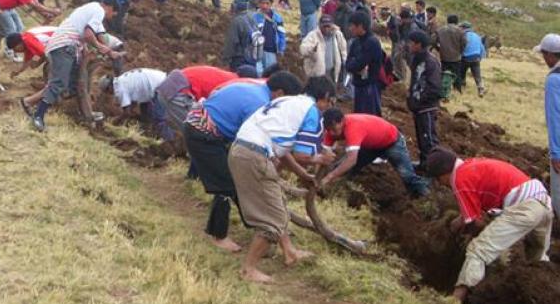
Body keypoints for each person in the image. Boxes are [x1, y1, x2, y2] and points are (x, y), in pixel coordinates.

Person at [228, 77, 336, 283]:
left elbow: (284, 151)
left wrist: (303, 174)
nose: (327, 108)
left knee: (277, 201)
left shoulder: (291, 102)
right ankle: (248, 269)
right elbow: (301, 155)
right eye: (330, 103)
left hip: (242, 150)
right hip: (254, 156)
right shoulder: (311, 111)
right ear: (325, 98)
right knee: (274, 219)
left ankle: (289, 252)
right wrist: (321, 158)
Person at [184, 71, 304, 252]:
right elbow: (253, 140)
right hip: (201, 132)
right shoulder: (260, 104)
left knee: (239, 181)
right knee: (226, 185)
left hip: (212, 129)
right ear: (279, 93)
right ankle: (218, 235)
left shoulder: (259, 88)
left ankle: (263, 226)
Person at [424, 147, 552, 302]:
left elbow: (475, 222)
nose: (440, 183)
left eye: (438, 179)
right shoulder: (471, 165)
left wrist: (469, 232)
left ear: (444, 174)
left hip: (526, 208)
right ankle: (545, 300)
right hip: (543, 202)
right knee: (537, 261)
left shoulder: (459, 179)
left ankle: (455, 302)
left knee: (478, 250)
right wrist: (459, 222)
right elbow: (472, 213)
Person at [28, 0, 124, 132]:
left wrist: (108, 51)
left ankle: (86, 115)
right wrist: (102, 48)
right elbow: (89, 34)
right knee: (59, 83)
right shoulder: (99, 11)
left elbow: (99, 35)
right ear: (110, 7)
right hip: (64, 46)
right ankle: (38, 116)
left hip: (67, 46)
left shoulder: (92, 8)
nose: (111, 17)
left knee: (76, 85)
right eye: (113, 14)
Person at [321, 109, 429, 197]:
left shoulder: (353, 127)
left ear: (342, 121)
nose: (331, 133)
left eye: (334, 129)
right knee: (341, 168)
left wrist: (329, 177)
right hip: (370, 146)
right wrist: (317, 176)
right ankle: (338, 192)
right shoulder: (330, 131)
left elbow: (352, 159)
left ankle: (426, 196)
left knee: (407, 176)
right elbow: (323, 154)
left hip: (391, 142)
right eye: (328, 129)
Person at [154, 66, 237, 142]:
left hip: (167, 90)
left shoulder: (231, 78)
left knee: (193, 132)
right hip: (179, 92)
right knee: (199, 132)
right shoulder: (235, 86)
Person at [407, 31, 442, 167]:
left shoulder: (430, 62)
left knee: (429, 138)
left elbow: (434, 88)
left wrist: (420, 100)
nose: (409, 45)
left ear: (419, 44)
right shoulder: (416, 59)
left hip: (426, 107)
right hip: (418, 106)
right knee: (421, 137)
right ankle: (424, 163)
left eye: (411, 42)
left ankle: (434, 168)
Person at [535, 33, 560, 219]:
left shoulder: (553, 79)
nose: (544, 59)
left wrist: (556, 153)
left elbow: (555, 117)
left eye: (544, 55)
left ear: (551, 55)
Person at [345, 11, 383, 115]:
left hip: (369, 87)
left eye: (352, 25)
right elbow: (348, 64)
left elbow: (359, 63)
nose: (350, 28)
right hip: (358, 85)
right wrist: (355, 64)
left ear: (360, 26)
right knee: (359, 115)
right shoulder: (356, 42)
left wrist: (355, 64)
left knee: (369, 116)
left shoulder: (372, 42)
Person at [99, 68, 167, 122]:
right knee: (145, 112)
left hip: (159, 85)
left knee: (159, 118)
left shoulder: (119, 89)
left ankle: (167, 138)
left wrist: (115, 120)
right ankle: (149, 128)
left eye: (106, 92)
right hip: (158, 80)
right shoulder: (120, 80)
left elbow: (127, 113)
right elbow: (133, 103)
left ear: (109, 87)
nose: (109, 94)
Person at [300, 15, 347, 85]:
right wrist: (312, 49)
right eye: (324, 26)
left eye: (328, 26)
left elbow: (343, 49)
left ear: (332, 25)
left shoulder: (337, 35)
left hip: (332, 72)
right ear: (319, 25)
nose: (326, 29)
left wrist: (344, 61)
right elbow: (303, 49)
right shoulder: (312, 35)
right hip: (317, 74)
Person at [252, 0, 286, 76]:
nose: (264, 6)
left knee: (270, 75)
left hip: (271, 50)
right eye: (262, 3)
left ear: (271, 4)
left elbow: (282, 34)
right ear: (259, 4)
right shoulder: (254, 17)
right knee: (258, 74)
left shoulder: (277, 18)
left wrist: (281, 49)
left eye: (267, 3)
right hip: (257, 50)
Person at [221, 0, 256, 72]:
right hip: (253, 57)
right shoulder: (253, 17)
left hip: (239, 59)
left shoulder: (236, 21)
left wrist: (225, 59)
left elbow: (232, 42)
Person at [436, 15, 466, 93]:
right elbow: (464, 43)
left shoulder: (440, 30)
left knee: (442, 74)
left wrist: (438, 49)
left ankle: (442, 91)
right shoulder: (460, 31)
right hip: (456, 57)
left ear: (447, 21)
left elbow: (432, 40)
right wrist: (460, 51)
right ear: (457, 22)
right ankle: (458, 90)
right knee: (457, 75)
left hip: (443, 56)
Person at [459, 22, 486, 97]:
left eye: (460, 27)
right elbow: (482, 48)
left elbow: (461, 47)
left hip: (465, 58)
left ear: (463, 28)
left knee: (462, 73)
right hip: (476, 57)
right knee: (477, 75)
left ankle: (462, 87)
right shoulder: (477, 36)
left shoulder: (463, 35)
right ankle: (481, 88)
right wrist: (480, 57)